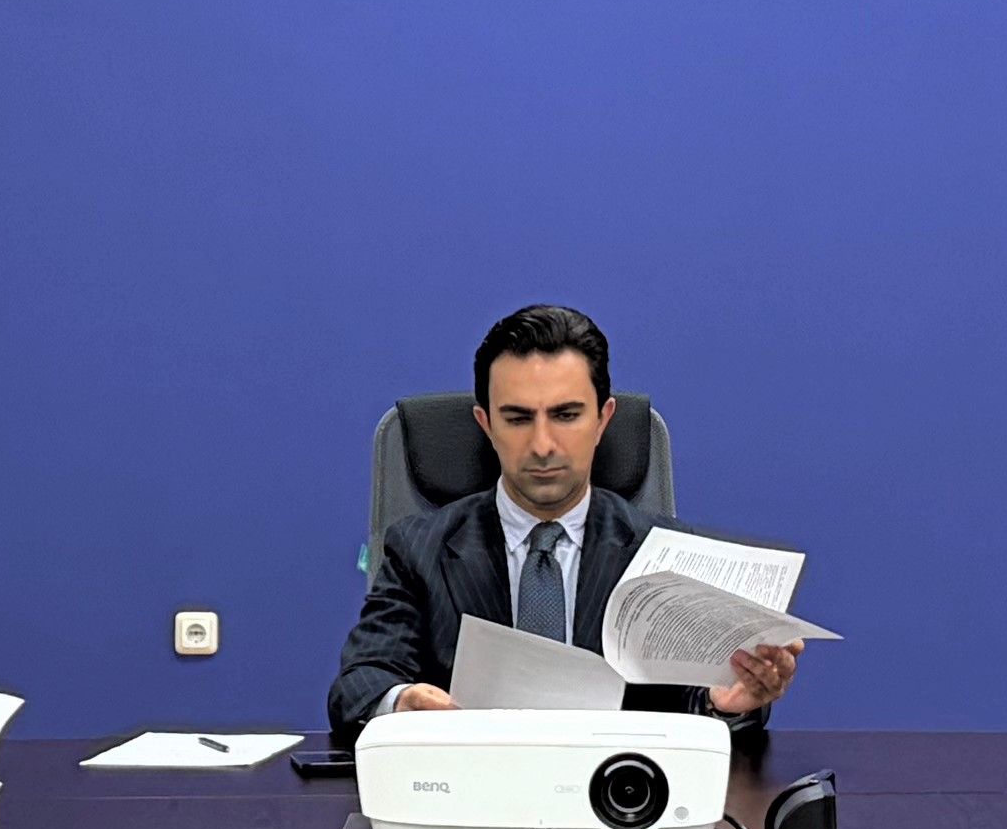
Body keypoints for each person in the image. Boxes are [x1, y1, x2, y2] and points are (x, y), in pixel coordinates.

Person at [332, 303, 804, 740]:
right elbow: (359, 683)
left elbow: (694, 701)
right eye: (518, 418)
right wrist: (401, 702)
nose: (543, 445)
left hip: (617, 794)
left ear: (602, 420)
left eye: (565, 415)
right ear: (486, 424)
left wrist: (725, 704)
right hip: (472, 789)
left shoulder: (665, 554)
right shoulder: (419, 548)